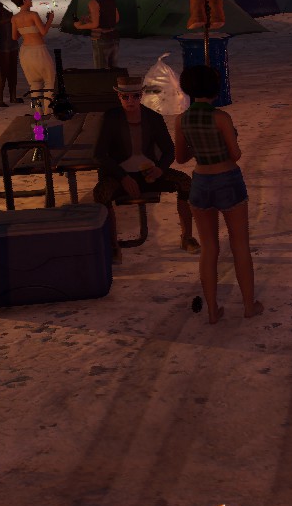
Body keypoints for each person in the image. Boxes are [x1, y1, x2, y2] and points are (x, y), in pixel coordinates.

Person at [172, 64, 261, 324]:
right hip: (227, 180)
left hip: (201, 183)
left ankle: (212, 310)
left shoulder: (181, 120)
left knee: (209, 248)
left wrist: (199, 146)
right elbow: (236, 154)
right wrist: (226, 139)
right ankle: (248, 306)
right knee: (240, 244)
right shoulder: (221, 118)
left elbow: (181, 157)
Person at [94, 76, 198, 263]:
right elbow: (100, 154)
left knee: (185, 182)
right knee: (101, 193)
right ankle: (113, 245)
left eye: (135, 96)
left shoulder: (153, 118)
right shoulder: (111, 118)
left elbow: (169, 150)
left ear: (141, 96)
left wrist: (160, 169)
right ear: (119, 96)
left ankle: (187, 237)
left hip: (149, 172)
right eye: (125, 97)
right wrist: (123, 177)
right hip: (120, 175)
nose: (130, 101)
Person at [9, 0, 56, 96]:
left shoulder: (14, 18)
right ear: (24, 0)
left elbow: (14, 37)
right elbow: (43, 32)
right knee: (49, 81)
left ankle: (36, 107)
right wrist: (50, 20)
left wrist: (24, 30)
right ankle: (48, 106)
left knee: (34, 83)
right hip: (38, 51)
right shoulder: (33, 15)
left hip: (25, 52)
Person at [74, 0, 121, 69]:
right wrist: (90, 18)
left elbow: (95, 24)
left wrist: (79, 26)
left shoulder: (93, 2)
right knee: (113, 68)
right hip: (114, 37)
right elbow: (116, 19)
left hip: (100, 38)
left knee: (101, 69)